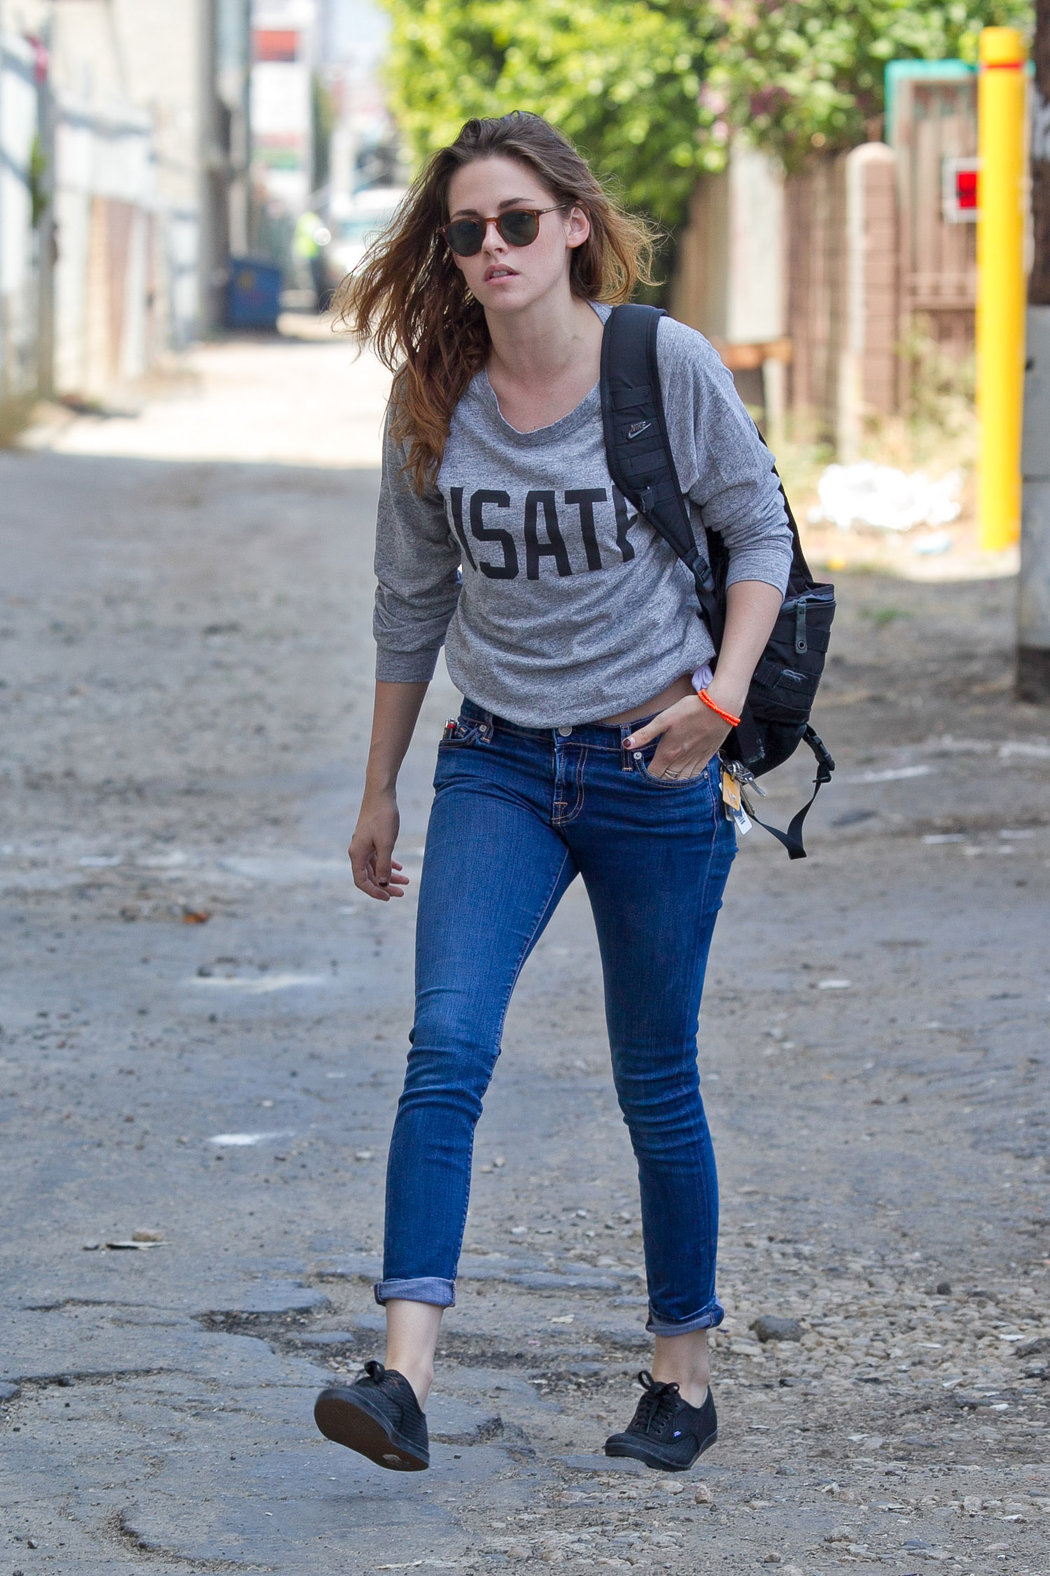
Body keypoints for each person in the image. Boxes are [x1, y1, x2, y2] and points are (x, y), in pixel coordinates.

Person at [312, 111, 792, 1475]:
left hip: (654, 760)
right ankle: (400, 1377)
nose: (491, 247)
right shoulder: (432, 396)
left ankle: (678, 1380)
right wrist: (378, 793)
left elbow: (755, 530)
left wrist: (716, 702)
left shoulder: (659, 363)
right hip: (501, 765)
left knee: (654, 1079)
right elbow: (408, 608)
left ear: (572, 224)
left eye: (516, 220)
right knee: (447, 1045)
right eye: (465, 232)